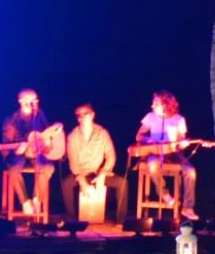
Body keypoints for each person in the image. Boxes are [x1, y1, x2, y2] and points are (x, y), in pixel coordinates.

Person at [60, 104, 128, 227]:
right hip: (82, 173)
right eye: (78, 115)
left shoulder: (102, 133)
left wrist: (103, 173)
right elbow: (73, 162)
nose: (81, 118)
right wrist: (81, 181)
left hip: (98, 173)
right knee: (66, 183)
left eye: (84, 114)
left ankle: (120, 220)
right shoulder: (73, 136)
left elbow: (111, 156)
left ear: (92, 115)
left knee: (122, 182)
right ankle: (71, 218)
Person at [133, 90, 198, 222]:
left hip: (173, 152)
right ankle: (165, 194)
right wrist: (148, 140)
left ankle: (188, 207)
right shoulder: (150, 117)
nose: (152, 106)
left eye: (155, 103)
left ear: (165, 105)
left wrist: (182, 143)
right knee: (152, 164)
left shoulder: (179, 119)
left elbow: (181, 140)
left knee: (191, 171)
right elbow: (138, 135)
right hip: (155, 151)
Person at [0, 88, 59, 220]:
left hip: (36, 151)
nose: (34, 102)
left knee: (48, 167)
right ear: (21, 101)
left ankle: (37, 200)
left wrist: (54, 129)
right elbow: (7, 144)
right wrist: (20, 147)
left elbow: (45, 134)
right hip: (17, 152)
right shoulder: (11, 120)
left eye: (35, 99)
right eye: (30, 100)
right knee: (14, 169)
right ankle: (25, 202)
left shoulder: (39, 115)